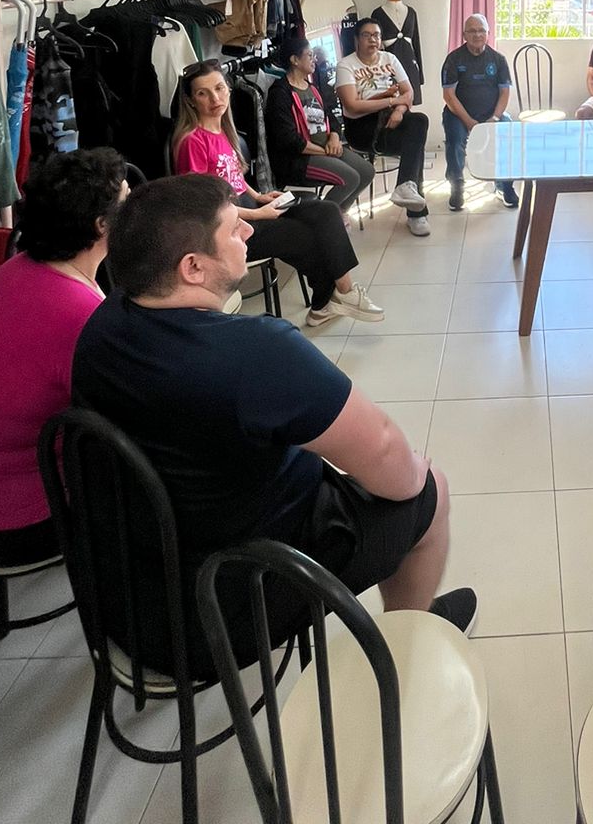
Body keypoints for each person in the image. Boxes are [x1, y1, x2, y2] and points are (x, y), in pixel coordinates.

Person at [71, 175, 472, 677]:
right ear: (193, 267)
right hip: (223, 610)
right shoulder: (256, 353)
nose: (247, 230)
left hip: (127, 596)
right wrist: (408, 474)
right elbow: (392, 461)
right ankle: (406, 650)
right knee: (429, 489)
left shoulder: (103, 325)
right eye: (232, 227)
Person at [0, 148, 128, 567]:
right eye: (127, 201)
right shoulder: (77, 312)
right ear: (101, 225)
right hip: (16, 524)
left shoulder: (17, 268)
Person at [172, 60, 382, 325]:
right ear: (191, 101)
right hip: (228, 230)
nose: (215, 98)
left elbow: (232, 179)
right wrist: (257, 213)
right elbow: (203, 205)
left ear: (228, 89)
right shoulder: (192, 141)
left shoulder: (223, 130)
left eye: (219, 88)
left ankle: (345, 292)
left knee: (326, 210)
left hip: (250, 211)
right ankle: (324, 303)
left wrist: (258, 196)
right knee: (303, 235)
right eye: (203, 93)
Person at [335, 18, 431, 237]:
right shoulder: (346, 65)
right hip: (362, 128)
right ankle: (416, 214)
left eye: (377, 35)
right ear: (356, 39)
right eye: (367, 35)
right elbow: (353, 106)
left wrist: (399, 111)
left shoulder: (390, 58)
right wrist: (391, 101)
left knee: (419, 122)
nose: (373, 40)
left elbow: (409, 93)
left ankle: (405, 187)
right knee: (415, 146)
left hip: (391, 119)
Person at [264, 36, 374, 214]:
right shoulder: (280, 93)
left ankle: (338, 213)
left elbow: (330, 117)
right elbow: (288, 140)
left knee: (367, 171)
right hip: (299, 159)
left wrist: (335, 138)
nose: (314, 59)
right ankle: (321, 218)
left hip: (325, 148)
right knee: (350, 178)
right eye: (309, 55)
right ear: (295, 60)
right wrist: (325, 151)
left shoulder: (312, 87)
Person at [440, 14, 519, 212]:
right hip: (459, 114)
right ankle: (456, 185)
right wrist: (468, 122)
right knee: (455, 141)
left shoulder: (498, 59)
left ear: (488, 33)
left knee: (508, 131)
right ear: (464, 35)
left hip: (492, 114)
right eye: (472, 31)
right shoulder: (454, 59)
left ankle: (505, 186)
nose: (477, 35)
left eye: (481, 30)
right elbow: (449, 96)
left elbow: (505, 93)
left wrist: (494, 118)